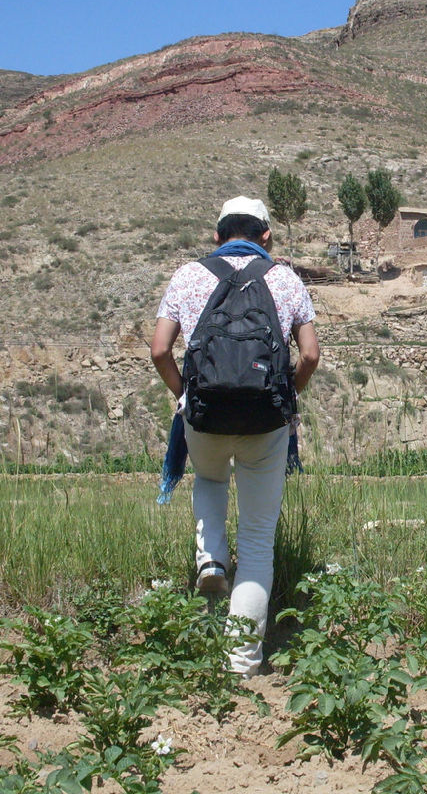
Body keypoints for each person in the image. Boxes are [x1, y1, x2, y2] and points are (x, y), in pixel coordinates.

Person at [150, 195, 320, 677]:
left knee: (208, 479)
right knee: (260, 540)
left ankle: (210, 558)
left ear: (217, 235)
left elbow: (161, 350)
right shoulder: (286, 280)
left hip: (203, 418)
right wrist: (288, 399)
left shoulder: (187, 275)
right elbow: (309, 356)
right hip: (266, 422)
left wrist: (185, 394)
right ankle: (242, 663)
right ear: (267, 235)